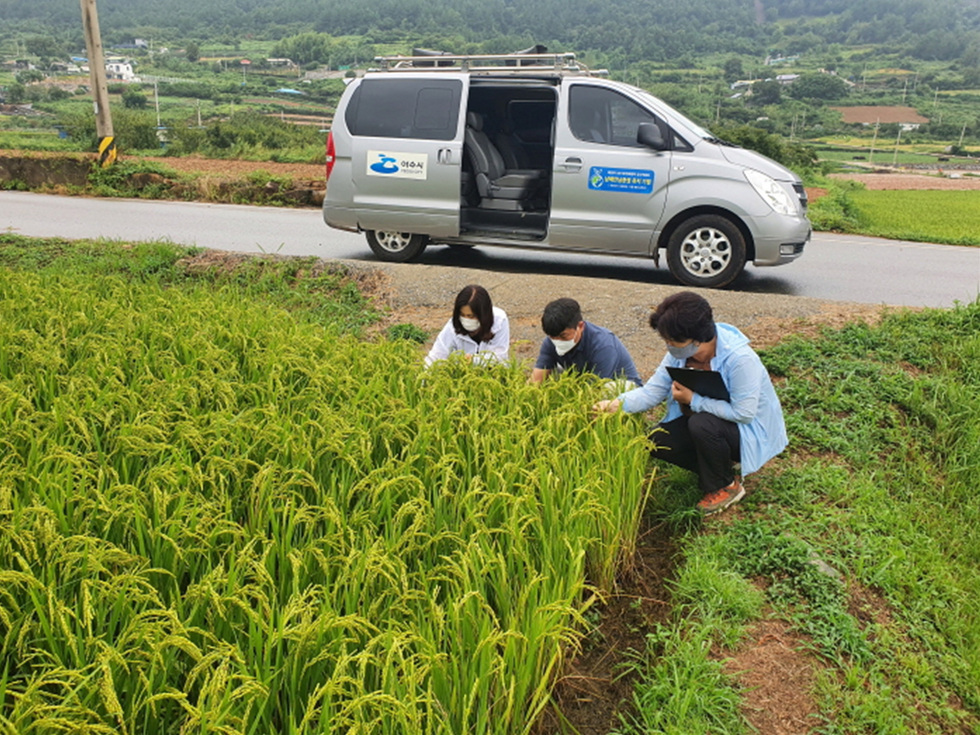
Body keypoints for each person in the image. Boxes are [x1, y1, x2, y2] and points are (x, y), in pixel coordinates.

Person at [594, 291, 787, 515]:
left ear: (698, 338)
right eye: (666, 340)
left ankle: (726, 487)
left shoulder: (740, 359)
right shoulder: (679, 354)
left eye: (674, 341)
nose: (669, 346)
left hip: (748, 431)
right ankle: (721, 467)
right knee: (658, 440)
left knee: (701, 423)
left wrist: (693, 400)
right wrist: (615, 405)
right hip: (716, 425)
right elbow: (651, 392)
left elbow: (744, 413)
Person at [530, 297, 642, 387]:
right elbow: (536, 379)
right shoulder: (551, 341)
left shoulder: (603, 346)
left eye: (564, 336)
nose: (557, 341)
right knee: (551, 375)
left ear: (580, 326)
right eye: (552, 337)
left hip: (618, 383)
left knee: (606, 391)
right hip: (583, 379)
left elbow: (594, 390)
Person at [425, 284, 510, 366]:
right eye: (462, 315)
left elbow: (499, 356)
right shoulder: (453, 326)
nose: (466, 319)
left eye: (471, 316)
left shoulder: (499, 320)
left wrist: (472, 360)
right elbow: (437, 354)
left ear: (483, 314)